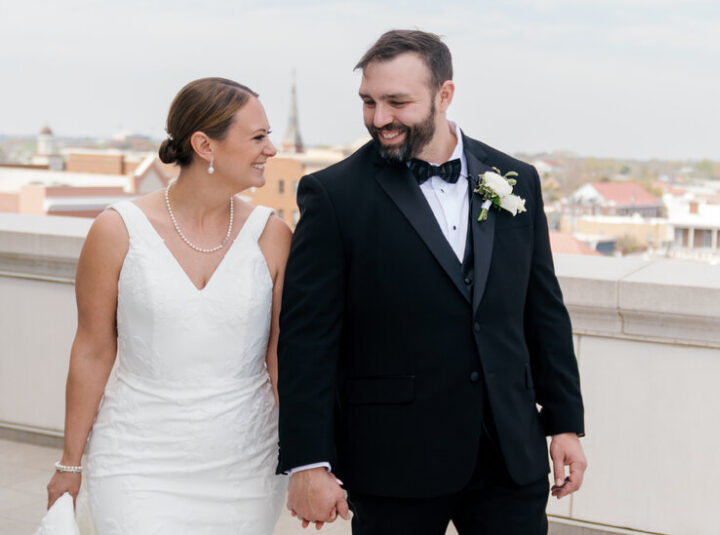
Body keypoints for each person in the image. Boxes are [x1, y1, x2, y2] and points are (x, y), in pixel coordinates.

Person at [277, 30, 587, 534]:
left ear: (445, 95)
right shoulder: (333, 195)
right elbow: (307, 338)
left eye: (397, 102)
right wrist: (308, 461)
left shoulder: (516, 178)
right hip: (392, 460)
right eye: (369, 102)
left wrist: (565, 422)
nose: (380, 119)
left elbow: (542, 309)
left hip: (508, 455)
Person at [44, 77, 291, 534]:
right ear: (205, 145)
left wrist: (304, 461)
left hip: (246, 464)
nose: (271, 149)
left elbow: (282, 357)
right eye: (258, 137)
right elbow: (93, 350)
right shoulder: (117, 230)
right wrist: (70, 464)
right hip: (135, 459)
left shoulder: (273, 235)